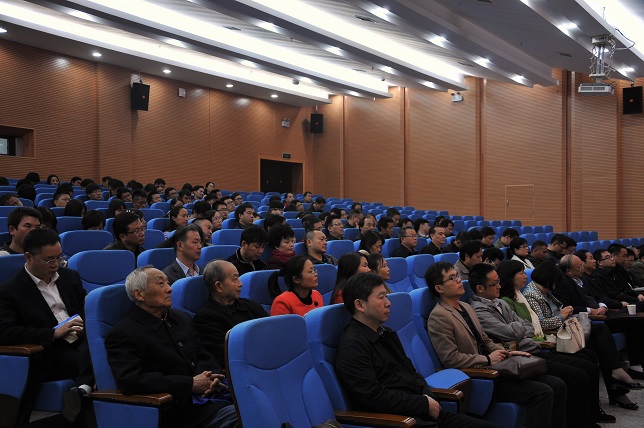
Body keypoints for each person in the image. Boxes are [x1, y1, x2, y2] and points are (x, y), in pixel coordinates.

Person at [334, 272, 496, 428]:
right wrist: (423, 404)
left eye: (386, 296)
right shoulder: (353, 346)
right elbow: (372, 397)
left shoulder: (386, 333)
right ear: (360, 305)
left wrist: (429, 399)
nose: (388, 303)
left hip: (423, 413)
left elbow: (412, 373)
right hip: (401, 420)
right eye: (381, 297)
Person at [470, 262, 611, 426]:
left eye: (499, 282)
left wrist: (518, 329)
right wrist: (519, 329)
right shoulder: (480, 309)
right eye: (495, 284)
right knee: (573, 377)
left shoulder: (500, 303)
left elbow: (528, 326)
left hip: (531, 348)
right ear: (480, 288)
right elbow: (511, 332)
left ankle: (588, 417)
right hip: (521, 355)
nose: (499, 286)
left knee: (587, 362)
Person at [426, 262, 564, 428]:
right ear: (439, 288)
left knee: (557, 384)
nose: (459, 280)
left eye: (457, 275)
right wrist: (488, 359)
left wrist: (507, 352)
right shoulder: (439, 316)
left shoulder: (466, 307)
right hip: (480, 377)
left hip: (496, 366)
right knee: (542, 392)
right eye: (452, 278)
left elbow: (486, 341)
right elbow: (451, 358)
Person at [105, 266, 238, 428]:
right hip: (179, 410)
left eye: (168, 283)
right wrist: (190, 384)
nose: (169, 289)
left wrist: (211, 377)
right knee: (249, 416)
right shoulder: (123, 333)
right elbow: (131, 380)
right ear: (139, 295)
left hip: (212, 397)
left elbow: (203, 354)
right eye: (160, 284)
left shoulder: (181, 318)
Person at [0, 228, 94, 424]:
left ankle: (82, 391)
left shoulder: (69, 277)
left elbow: (86, 308)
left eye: (59, 257)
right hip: (50, 350)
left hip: (81, 339)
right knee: (95, 360)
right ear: (29, 257)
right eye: (49, 260)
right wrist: (52, 333)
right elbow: (5, 332)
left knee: (108, 349)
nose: (56, 264)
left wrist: (86, 325)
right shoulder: (10, 290)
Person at [523, 260, 640, 409]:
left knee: (599, 336)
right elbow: (541, 324)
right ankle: (613, 385)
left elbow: (559, 308)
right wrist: (562, 315)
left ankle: (612, 384)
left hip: (565, 329)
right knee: (595, 346)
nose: (556, 286)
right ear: (549, 280)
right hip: (555, 335)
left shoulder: (545, 292)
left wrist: (565, 312)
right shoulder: (532, 295)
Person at [556, 254, 644, 381]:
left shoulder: (584, 279)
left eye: (582, 265)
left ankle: (636, 365)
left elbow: (599, 296)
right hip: (589, 318)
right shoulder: (562, 283)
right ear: (568, 271)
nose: (582, 268)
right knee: (630, 322)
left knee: (636, 319)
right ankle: (622, 368)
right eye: (579, 266)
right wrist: (590, 310)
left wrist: (603, 306)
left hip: (603, 313)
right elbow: (566, 306)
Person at [193, 260, 267, 368]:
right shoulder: (205, 318)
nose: (241, 284)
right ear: (219, 286)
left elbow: (270, 333)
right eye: (235, 279)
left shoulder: (251, 305)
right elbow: (223, 357)